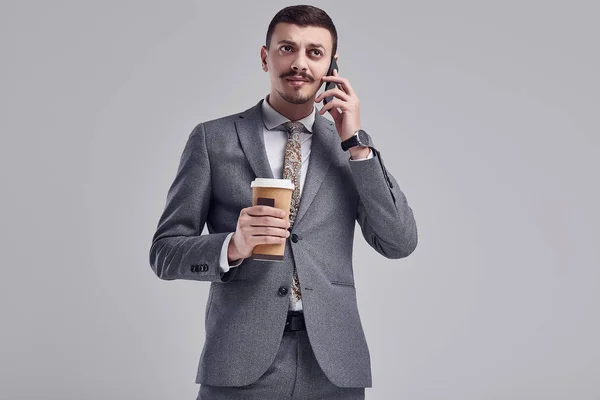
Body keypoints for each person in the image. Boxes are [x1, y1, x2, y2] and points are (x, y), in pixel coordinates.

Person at [149, 4, 418, 399]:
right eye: (287, 48)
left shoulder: (351, 148)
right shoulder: (213, 139)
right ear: (265, 57)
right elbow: (164, 252)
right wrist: (232, 246)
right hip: (241, 364)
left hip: (334, 366)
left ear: (332, 64)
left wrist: (355, 145)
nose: (299, 63)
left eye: (314, 52)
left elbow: (399, 242)